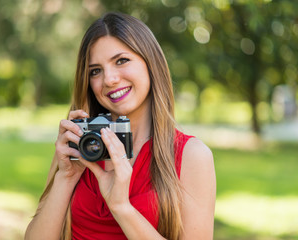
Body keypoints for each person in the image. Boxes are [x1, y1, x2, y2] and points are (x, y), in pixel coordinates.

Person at [25, 12, 216, 240]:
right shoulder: (78, 146)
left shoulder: (191, 156)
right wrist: (65, 178)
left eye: (121, 61)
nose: (109, 79)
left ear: (150, 63)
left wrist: (121, 207)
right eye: (96, 71)